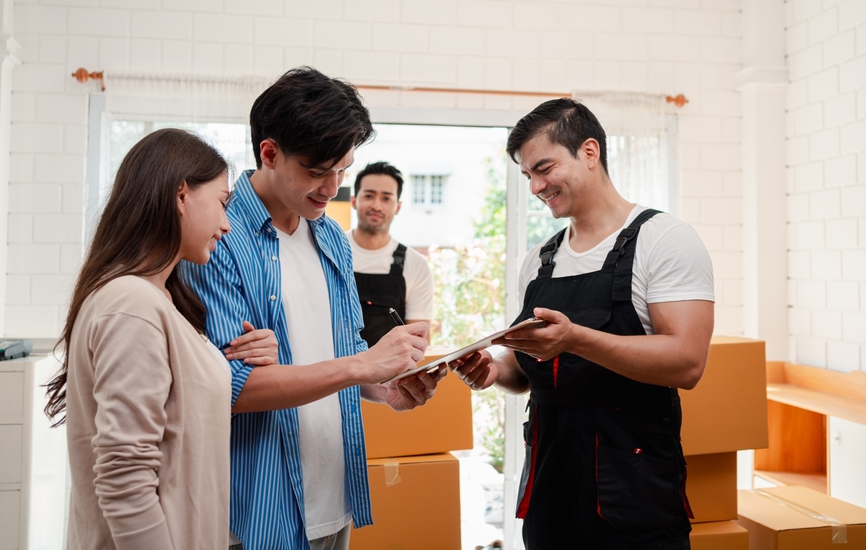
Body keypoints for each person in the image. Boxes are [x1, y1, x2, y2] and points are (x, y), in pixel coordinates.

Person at [179, 67, 445, 550]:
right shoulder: (215, 239)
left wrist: (383, 387)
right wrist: (362, 363)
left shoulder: (330, 239)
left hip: (334, 495)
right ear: (270, 152)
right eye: (318, 171)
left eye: (342, 170)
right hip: (256, 510)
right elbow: (231, 389)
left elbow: (339, 354)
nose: (333, 188)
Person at [452, 99, 715, 550]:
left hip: (635, 499)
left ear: (589, 152)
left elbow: (687, 363)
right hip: (549, 496)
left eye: (544, 168)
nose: (536, 186)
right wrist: (495, 368)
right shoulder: (539, 261)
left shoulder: (665, 240)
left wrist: (575, 338)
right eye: (527, 176)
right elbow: (529, 368)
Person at [44, 129, 279, 550]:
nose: (226, 225)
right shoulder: (131, 304)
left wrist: (244, 358)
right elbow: (124, 479)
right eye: (223, 203)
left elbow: (180, 417)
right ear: (181, 195)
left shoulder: (158, 299)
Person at [346, 161, 435, 347]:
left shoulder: (415, 265)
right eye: (369, 196)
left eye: (386, 198)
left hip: (391, 375)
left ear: (398, 206)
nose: (377, 205)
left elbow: (419, 342)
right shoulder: (330, 251)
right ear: (354, 201)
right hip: (332, 373)